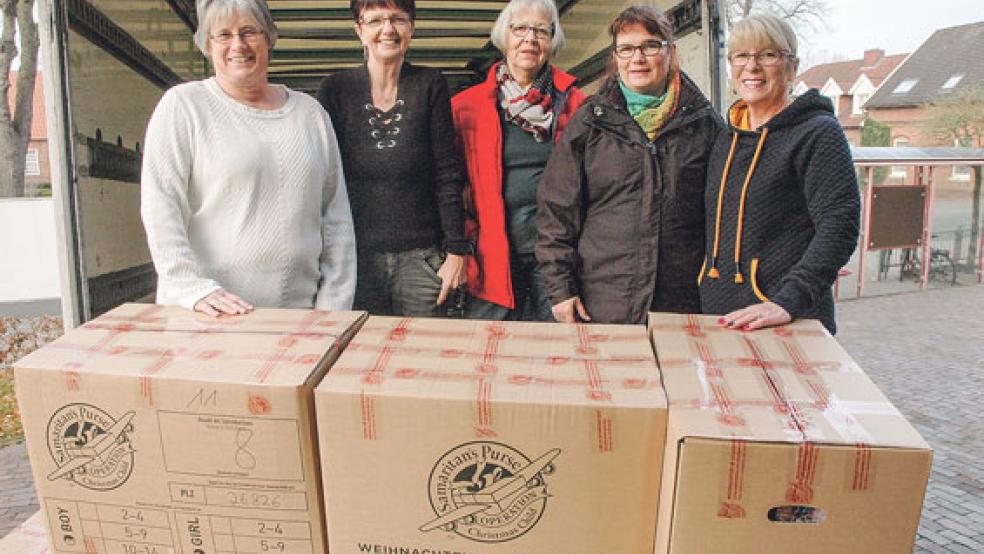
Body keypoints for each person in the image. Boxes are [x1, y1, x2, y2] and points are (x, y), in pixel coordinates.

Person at [141, 0, 356, 316]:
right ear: (207, 45)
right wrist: (190, 288)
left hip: (303, 319)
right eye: (223, 35)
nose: (237, 45)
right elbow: (160, 206)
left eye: (248, 32)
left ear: (268, 37)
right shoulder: (184, 106)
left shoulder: (311, 115)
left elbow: (336, 218)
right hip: (211, 319)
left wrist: (332, 309)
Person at [536, 5, 723, 324]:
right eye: (626, 48)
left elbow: (724, 214)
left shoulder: (703, 124)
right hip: (604, 300)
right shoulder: (590, 122)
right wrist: (560, 289)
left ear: (670, 52)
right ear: (616, 56)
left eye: (650, 46)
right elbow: (557, 208)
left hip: (680, 300)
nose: (637, 58)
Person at [699, 14, 860, 334]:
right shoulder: (725, 135)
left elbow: (839, 225)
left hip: (786, 316)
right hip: (720, 316)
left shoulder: (818, 133)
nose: (752, 67)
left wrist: (789, 300)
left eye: (768, 55)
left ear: (792, 66)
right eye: (741, 56)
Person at [317, 0, 471, 317]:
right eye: (375, 21)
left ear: (411, 28)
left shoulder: (431, 85)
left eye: (398, 19)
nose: (388, 29)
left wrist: (457, 251)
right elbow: (322, 179)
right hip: (355, 258)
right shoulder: (336, 89)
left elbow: (446, 173)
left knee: (423, 353)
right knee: (362, 355)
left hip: (421, 258)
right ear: (359, 30)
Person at [452, 0, 585, 321]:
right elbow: (448, 184)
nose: (530, 39)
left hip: (555, 257)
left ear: (552, 41)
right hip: (490, 255)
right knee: (489, 350)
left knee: (557, 350)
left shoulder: (577, 105)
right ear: (504, 37)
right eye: (520, 29)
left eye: (541, 30)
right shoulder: (464, 107)